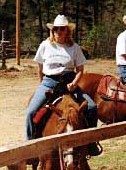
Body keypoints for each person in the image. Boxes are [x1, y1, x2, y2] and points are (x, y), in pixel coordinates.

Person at [25, 14, 101, 156]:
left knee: (91, 107)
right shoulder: (45, 45)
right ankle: (30, 147)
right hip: (49, 81)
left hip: (69, 81)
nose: (58, 32)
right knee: (31, 112)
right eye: (56, 29)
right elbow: (40, 69)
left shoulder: (74, 48)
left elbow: (80, 70)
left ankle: (91, 143)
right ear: (52, 31)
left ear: (67, 31)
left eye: (62, 29)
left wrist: (74, 83)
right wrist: (43, 85)